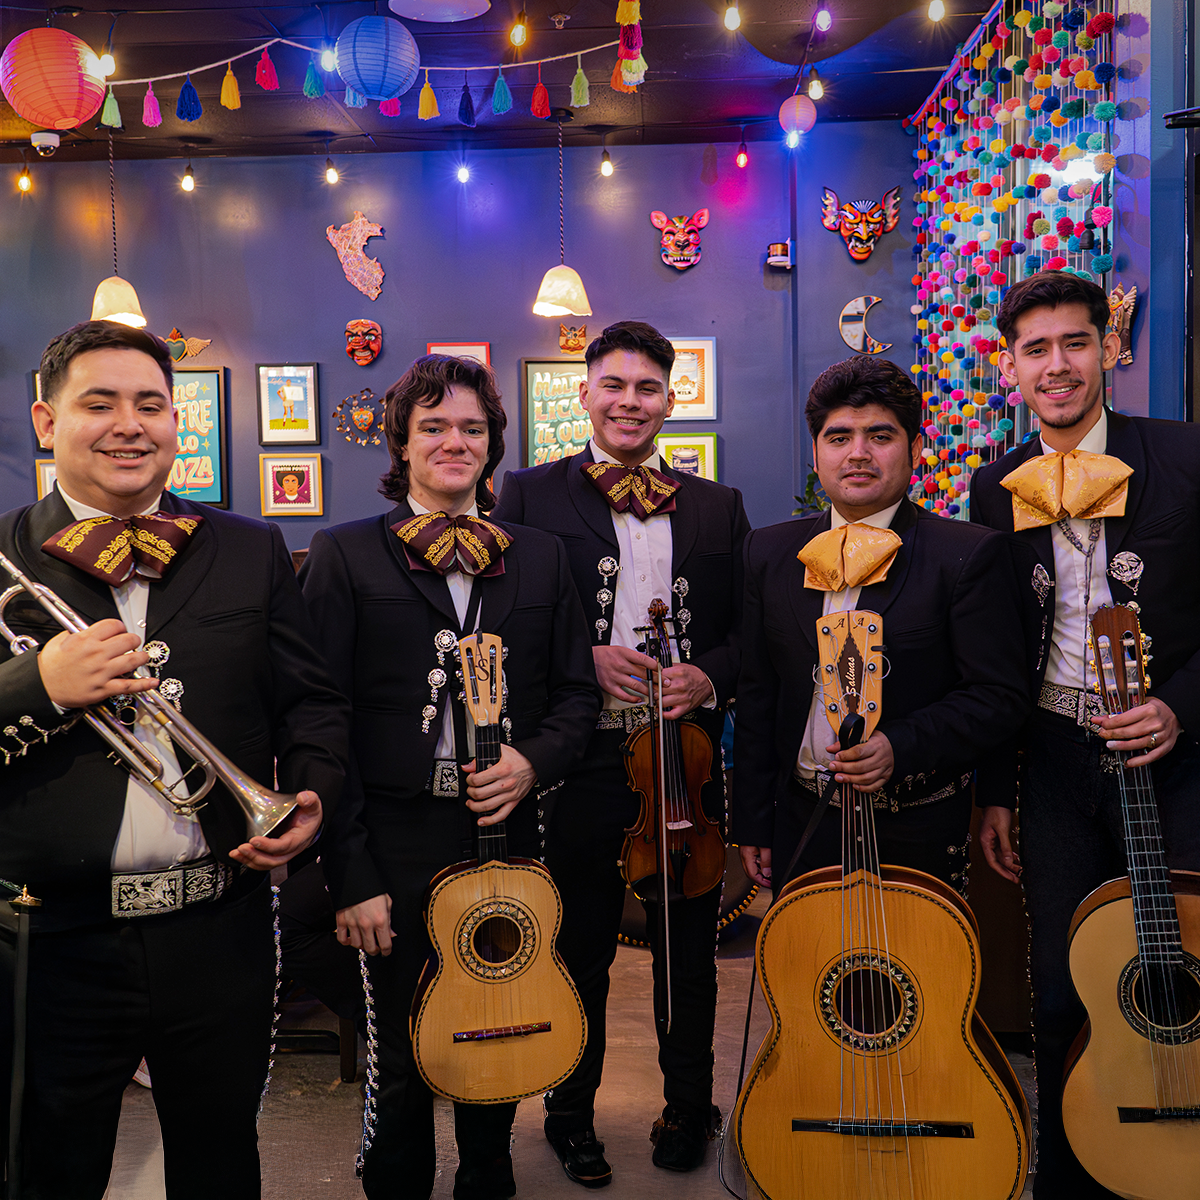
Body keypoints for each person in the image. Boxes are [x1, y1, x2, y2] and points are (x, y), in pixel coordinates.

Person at [0, 320, 347, 1199]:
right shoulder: (1, 555)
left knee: (221, 1161)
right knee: (50, 1167)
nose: (129, 424)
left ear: (175, 423)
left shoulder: (251, 547)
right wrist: (39, 684)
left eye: (150, 405)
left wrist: (311, 791)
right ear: (46, 422)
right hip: (51, 937)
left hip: (217, 923)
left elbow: (311, 703)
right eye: (100, 403)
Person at [299, 354, 600, 1200]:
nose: (454, 442)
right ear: (401, 442)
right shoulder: (345, 554)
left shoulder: (541, 557)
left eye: (471, 427)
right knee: (403, 1053)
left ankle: (488, 1178)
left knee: (498, 1028)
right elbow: (322, 722)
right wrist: (349, 872)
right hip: (392, 841)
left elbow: (578, 696)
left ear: (493, 444)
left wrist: (533, 761)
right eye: (433, 426)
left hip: (508, 833)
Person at [493, 320, 750, 1184]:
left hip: (689, 764)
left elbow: (749, 635)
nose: (629, 402)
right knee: (582, 947)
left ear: (671, 400)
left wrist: (708, 675)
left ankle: (688, 1107)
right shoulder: (527, 494)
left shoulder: (717, 504)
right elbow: (504, 621)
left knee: (688, 949)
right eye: (613, 385)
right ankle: (571, 1116)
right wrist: (584, 657)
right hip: (583, 762)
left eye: (647, 388)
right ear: (586, 395)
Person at [971, 271, 1200, 1199]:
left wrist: (1181, 705)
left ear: (1109, 348)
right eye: (1036, 349)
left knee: (1182, 962)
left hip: (1177, 756)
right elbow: (994, 654)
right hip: (1054, 759)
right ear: (1010, 367)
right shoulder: (993, 485)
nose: (1057, 365)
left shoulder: (1185, 455)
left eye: (1074, 342)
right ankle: (1067, 1174)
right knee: (1063, 980)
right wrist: (996, 788)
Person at [733, 354, 1031, 907]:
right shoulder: (768, 552)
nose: (858, 453)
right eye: (838, 437)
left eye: (880, 435)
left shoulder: (967, 555)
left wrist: (900, 745)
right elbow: (757, 694)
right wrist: (752, 820)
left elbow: (998, 696)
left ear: (915, 449)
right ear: (816, 452)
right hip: (802, 821)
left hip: (917, 825)